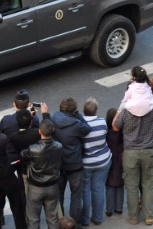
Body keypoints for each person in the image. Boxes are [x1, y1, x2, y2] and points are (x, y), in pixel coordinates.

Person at [112, 93, 153, 226]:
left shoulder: (126, 111)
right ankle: (149, 216)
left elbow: (115, 126)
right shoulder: (151, 109)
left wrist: (119, 109)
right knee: (147, 185)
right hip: (148, 150)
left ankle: (133, 217)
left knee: (132, 186)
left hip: (131, 152)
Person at [51, 97, 91, 223]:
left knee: (59, 196)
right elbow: (87, 128)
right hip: (74, 165)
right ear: (73, 111)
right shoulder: (76, 124)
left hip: (59, 164)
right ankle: (74, 224)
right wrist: (78, 115)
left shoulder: (53, 120)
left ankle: (61, 224)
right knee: (76, 197)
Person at [20, 119, 63, 229]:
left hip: (35, 188)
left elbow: (22, 154)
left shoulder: (33, 149)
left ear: (40, 131)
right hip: (52, 186)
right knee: (53, 219)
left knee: (33, 220)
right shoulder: (59, 146)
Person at [80, 98, 111, 227]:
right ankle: (97, 218)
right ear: (96, 110)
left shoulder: (79, 125)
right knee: (98, 189)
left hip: (86, 162)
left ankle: (85, 220)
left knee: (85, 190)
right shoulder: (102, 122)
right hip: (103, 161)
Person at [104, 108, 125, 216]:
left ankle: (109, 209)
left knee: (109, 185)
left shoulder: (106, 133)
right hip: (121, 159)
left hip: (110, 159)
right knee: (120, 184)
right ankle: (119, 207)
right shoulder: (122, 132)